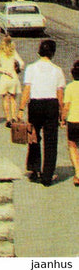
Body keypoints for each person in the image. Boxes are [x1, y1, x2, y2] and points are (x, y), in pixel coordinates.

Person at [17, 39, 66, 186]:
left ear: (39, 51)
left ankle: (35, 169)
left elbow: (27, 90)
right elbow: (60, 95)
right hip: (51, 105)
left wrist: (20, 109)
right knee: (51, 141)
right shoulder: (57, 70)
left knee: (33, 137)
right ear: (53, 53)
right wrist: (62, 113)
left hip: (35, 105)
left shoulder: (31, 68)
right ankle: (47, 176)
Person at [0, 35, 25, 127]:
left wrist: (5, 71)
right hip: (13, 77)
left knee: (5, 99)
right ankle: (14, 117)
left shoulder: (0, 53)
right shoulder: (14, 52)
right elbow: (22, 63)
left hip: (4, 78)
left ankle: (8, 118)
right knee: (13, 98)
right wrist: (17, 69)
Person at [62, 59, 79, 187]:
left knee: (72, 146)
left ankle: (78, 173)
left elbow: (66, 107)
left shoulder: (70, 87)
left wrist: (62, 119)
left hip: (73, 121)